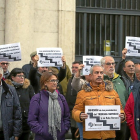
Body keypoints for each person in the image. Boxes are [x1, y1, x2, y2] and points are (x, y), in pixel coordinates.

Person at [72, 65, 125, 140]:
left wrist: (122, 116)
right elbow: (75, 111)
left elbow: (120, 109)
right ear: (90, 75)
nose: (99, 75)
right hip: (90, 136)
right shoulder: (82, 93)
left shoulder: (113, 92)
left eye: (101, 73)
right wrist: (80, 115)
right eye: (96, 73)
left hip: (109, 136)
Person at [28, 71, 70, 140]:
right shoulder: (37, 98)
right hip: (42, 137)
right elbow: (32, 120)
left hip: (60, 137)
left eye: (56, 80)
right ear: (45, 82)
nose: (55, 83)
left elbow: (66, 117)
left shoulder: (61, 98)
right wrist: (43, 132)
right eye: (52, 80)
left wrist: (64, 129)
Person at [101, 56, 128, 140]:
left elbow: (128, 98)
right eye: (108, 64)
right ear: (102, 66)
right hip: (106, 122)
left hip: (122, 121)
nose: (111, 66)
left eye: (113, 64)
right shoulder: (99, 81)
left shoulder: (121, 80)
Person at [5, 68, 35, 140]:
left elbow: (34, 102)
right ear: (12, 77)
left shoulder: (28, 87)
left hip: (26, 123)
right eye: (19, 76)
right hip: (12, 123)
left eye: (23, 76)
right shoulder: (7, 88)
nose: (22, 78)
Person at [0, 66, 22, 140]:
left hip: (6, 133)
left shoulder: (10, 90)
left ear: (0, 76)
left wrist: (16, 135)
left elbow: (17, 113)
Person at [66, 61, 82, 140]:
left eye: (76, 67)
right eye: (73, 67)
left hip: (79, 110)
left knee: (78, 133)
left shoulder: (82, 80)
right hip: (70, 109)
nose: (74, 69)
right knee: (73, 131)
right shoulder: (70, 79)